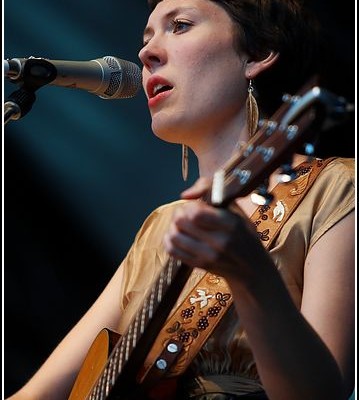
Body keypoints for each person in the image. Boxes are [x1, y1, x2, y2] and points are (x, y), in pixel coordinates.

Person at [7, 0, 355, 399]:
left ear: (257, 54)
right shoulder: (161, 226)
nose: (146, 52)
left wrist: (252, 277)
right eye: (147, 37)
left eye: (181, 25)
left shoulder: (337, 185)